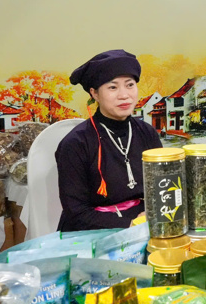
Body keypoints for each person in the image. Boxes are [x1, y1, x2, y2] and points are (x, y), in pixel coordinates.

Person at [55, 49, 162, 231]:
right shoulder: (75, 144)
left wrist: (154, 214)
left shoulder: (147, 133)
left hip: (145, 222)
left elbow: (163, 185)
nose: (124, 95)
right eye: (113, 87)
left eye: (130, 85)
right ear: (94, 94)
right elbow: (76, 212)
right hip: (92, 231)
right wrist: (130, 225)